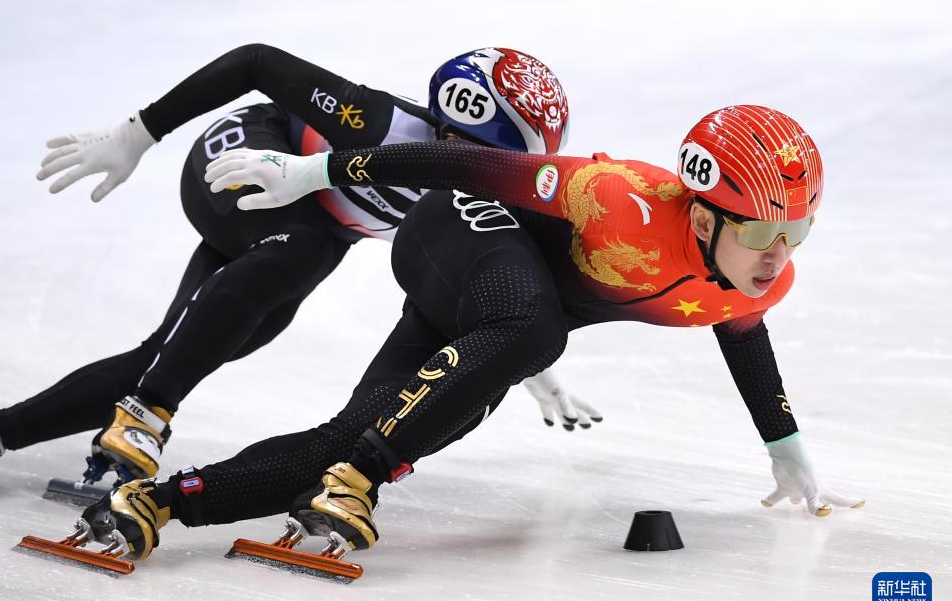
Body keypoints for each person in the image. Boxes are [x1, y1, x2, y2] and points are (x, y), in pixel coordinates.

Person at [72, 104, 863, 562]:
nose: (779, 256)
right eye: (762, 233)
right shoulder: (615, 197)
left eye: (798, 233)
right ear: (702, 215)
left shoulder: (764, 277)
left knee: (349, 440)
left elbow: (742, 331)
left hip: (491, 312)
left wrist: (784, 442)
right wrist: (319, 172)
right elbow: (463, 165)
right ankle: (363, 477)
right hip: (454, 229)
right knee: (535, 332)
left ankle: (158, 503)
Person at [0, 45, 598, 503]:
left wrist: (525, 364)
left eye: (507, 169)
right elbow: (257, 62)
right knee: (298, 253)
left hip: (308, 228)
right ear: (448, 129)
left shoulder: (479, 197)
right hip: (250, 158)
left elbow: (469, 281)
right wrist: (139, 132)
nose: (488, 178)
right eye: (483, 157)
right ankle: (147, 412)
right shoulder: (381, 123)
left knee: (195, 343)